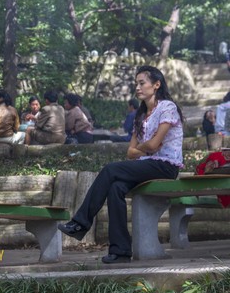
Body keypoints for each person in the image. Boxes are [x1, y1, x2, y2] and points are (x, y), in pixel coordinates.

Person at [58, 66, 184, 264]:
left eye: (142, 83)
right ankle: (121, 251)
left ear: (156, 85)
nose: (137, 87)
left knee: (110, 170)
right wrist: (148, 147)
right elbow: (131, 152)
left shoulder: (167, 107)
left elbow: (150, 146)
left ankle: (80, 223)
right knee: (116, 188)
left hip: (165, 166)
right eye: (136, 83)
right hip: (146, 165)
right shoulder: (141, 116)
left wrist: (146, 147)